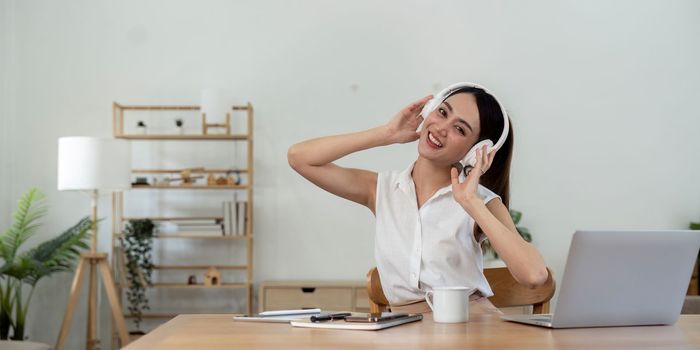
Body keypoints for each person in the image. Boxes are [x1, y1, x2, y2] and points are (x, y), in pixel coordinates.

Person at [287, 84, 548, 314]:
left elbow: (534, 276)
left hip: (470, 328)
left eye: (459, 128)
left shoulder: (481, 202)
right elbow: (300, 158)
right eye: (442, 112)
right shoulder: (381, 189)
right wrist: (387, 133)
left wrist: (470, 202)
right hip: (403, 330)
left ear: (476, 151)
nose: (441, 128)